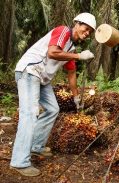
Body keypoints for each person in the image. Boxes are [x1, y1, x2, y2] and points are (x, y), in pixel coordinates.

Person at [10, 12, 97, 177]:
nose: (86, 34)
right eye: (86, 29)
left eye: (89, 33)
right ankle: (19, 161)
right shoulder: (63, 31)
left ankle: (36, 146)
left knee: (52, 109)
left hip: (42, 79)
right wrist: (79, 56)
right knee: (29, 114)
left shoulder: (71, 48)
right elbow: (52, 52)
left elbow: (71, 74)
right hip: (29, 71)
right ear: (77, 24)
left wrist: (76, 97)